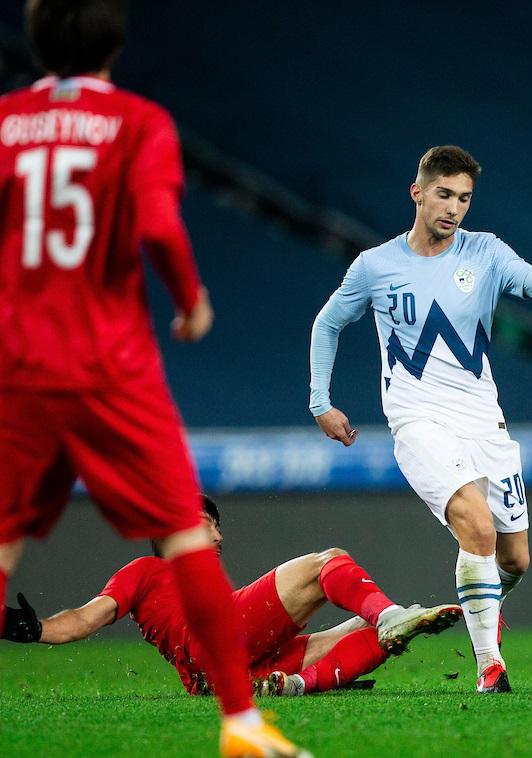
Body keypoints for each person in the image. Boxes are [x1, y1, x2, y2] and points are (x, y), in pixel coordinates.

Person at [0, 2, 306, 755]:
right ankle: (239, 726)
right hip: (110, 364)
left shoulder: (6, 120)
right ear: (117, 41)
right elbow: (162, 228)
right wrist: (193, 302)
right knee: (182, 534)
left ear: (36, 39)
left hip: (21, 360)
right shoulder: (139, 122)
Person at [309, 145, 532, 693]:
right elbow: (327, 325)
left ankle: (481, 604)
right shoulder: (376, 266)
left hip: (482, 421)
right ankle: (490, 665)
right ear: (417, 193)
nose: (454, 208)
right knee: (478, 527)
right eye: (444, 194)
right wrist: (320, 401)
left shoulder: (486, 252)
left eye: (464, 198)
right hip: (417, 421)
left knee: (515, 559)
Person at [3, 496, 463, 697]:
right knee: (328, 561)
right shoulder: (146, 571)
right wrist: (35, 628)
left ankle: (301, 684)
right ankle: (388, 615)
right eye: (209, 525)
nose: (219, 535)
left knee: (363, 630)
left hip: (228, 675)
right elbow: (88, 618)